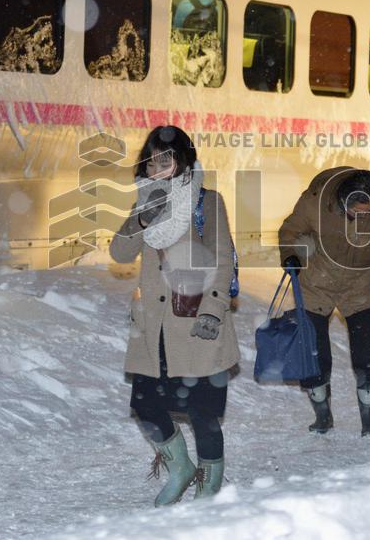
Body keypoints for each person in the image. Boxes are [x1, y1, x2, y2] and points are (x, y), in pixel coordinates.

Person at [110, 125, 237, 505]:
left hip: (196, 324)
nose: (158, 167)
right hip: (155, 329)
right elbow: (118, 253)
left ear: (183, 160)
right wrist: (141, 219)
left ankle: (209, 488)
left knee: (202, 413)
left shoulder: (206, 202)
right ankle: (180, 468)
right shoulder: (145, 203)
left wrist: (214, 308)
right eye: (151, 161)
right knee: (145, 405)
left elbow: (222, 260)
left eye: (166, 159)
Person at [278, 167, 370, 436]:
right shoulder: (316, 202)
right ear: (343, 200)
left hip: (358, 287)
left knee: (366, 354)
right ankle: (323, 415)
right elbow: (290, 231)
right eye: (356, 211)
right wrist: (290, 255)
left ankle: (369, 417)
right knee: (315, 354)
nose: (361, 216)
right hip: (317, 283)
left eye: (367, 212)